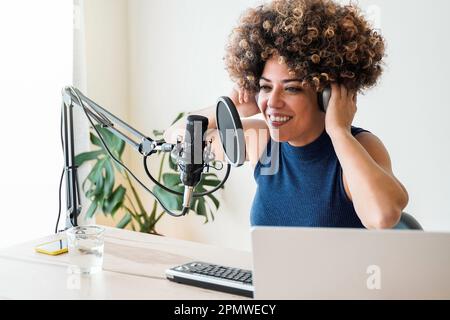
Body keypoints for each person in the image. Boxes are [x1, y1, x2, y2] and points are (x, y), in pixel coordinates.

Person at [164, 0, 408, 229]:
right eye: (265, 87)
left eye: (291, 89)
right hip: (269, 275)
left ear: (326, 94)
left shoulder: (361, 146)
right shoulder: (261, 143)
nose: (272, 102)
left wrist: (339, 132)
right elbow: (177, 136)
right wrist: (233, 109)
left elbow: (382, 216)